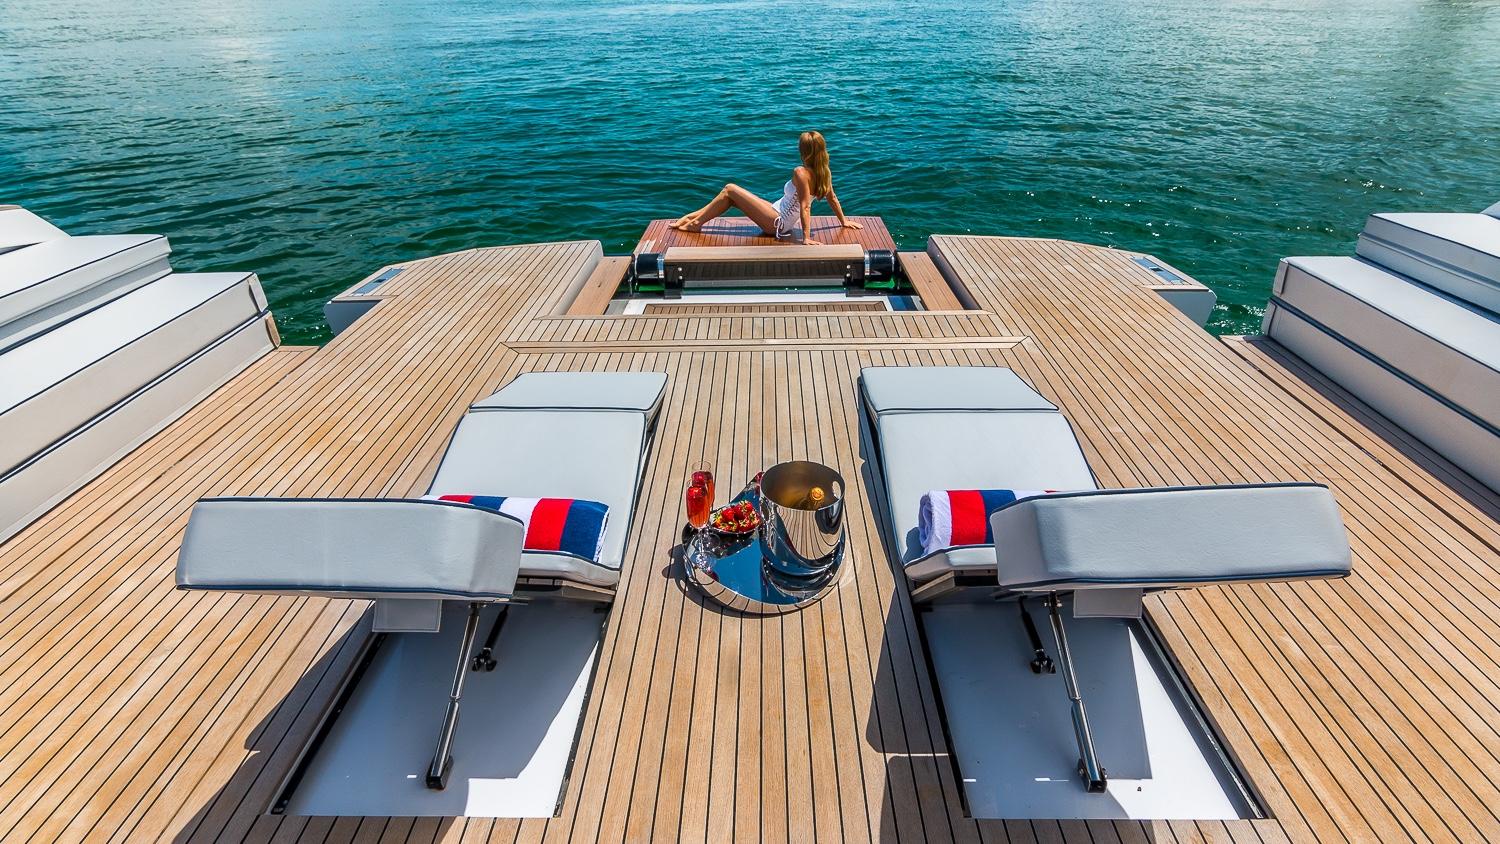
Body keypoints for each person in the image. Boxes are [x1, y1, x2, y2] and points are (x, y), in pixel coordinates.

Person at [669, 131, 862, 245]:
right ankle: (692, 219)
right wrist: (843, 221)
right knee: (730, 197)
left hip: (777, 223)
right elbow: (832, 199)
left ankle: (695, 223)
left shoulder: (801, 172)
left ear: (804, 151)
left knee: (730, 189)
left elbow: (805, 206)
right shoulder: (824, 172)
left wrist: (806, 238)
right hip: (777, 213)